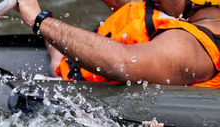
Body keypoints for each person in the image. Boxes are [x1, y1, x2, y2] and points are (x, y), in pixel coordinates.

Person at [17, 0, 220, 87]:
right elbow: (123, 4)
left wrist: (38, 19)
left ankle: (57, 60)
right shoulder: (194, 19)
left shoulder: (193, 46)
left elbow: (122, 63)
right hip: (70, 71)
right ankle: (58, 59)